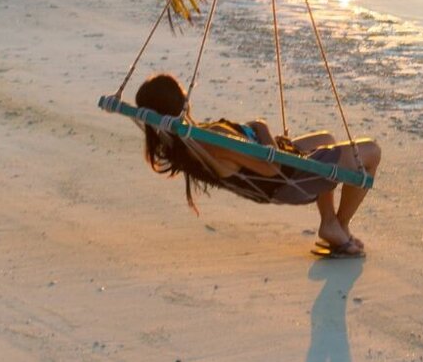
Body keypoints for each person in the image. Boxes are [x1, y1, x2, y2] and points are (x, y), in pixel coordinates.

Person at [132, 72, 382, 258]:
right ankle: (342, 225)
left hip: (275, 176)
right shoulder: (213, 140)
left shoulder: (185, 143)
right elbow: (271, 168)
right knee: (371, 152)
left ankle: (330, 224)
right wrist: (260, 126)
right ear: (179, 102)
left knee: (326, 139)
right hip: (289, 180)